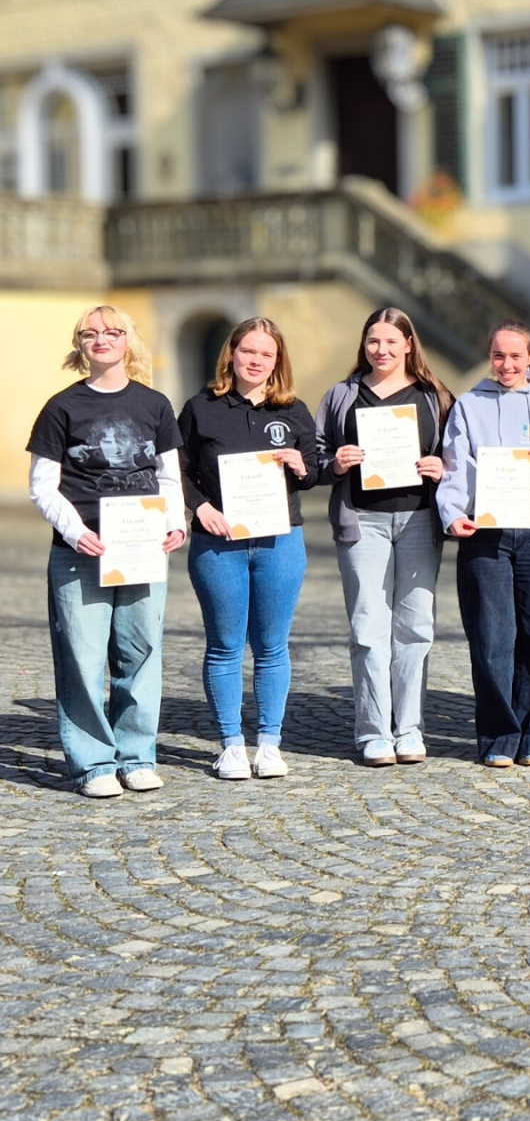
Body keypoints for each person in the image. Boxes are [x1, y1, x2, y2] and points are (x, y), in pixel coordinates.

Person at [27, 306, 187, 799]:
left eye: (113, 332)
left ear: (129, 342)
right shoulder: (61, 407)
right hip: (81, 552)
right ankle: (93, 764)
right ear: (79, 346)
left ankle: (137, 756)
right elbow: (42, 486)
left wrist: (175, 523)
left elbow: (167, 477)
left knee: (140, 654)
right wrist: (77, 533)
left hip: (141, 549)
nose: (102, 339)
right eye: (90, 333)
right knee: (82, 657)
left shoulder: (155, 405)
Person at [178, 318, 320, 781]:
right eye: (248, 351)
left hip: (280, 542)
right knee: (223, 646)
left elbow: (316, 473)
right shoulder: (201, 408)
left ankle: (270, 743)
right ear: (231, 354)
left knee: (272, 646)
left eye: (266, 354)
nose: (256, 361)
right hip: (218, 545)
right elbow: (175, 471)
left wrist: (302, 465)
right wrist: (199, 509)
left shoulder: (294, 410)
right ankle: (231, 745)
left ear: (277, 361)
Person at [316, 307, 452, 766]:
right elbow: (316, 455)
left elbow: (456, 458)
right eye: (374, 341)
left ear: (409, 344)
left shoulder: (434, 395)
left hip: (417, 521)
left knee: (415, 629)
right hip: (362, 523)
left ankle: (409, 728)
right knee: (369, 627)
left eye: (392, 341)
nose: (382, 349)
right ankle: (374, 731)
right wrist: (336, 462)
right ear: (364, 344)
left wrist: (442, 470)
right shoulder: (342, 395)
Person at [438, 321, 530, 768]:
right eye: (499, 356)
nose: (507, 364)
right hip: (485, 531)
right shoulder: (469, 405)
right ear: (489, 356)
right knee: (492, 637)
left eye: (516, 356)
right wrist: (452, 513)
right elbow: (455, 465)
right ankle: (499, 735)